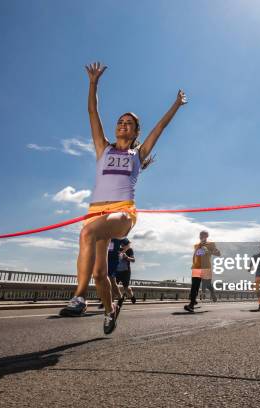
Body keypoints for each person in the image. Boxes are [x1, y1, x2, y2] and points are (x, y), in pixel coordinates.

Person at [59, 62, 187, 335]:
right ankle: (109, 311)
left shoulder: (137, 155)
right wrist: (93, 83)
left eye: (128, 124)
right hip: (96, 211)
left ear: (135, 132)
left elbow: (161, 128)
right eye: (120, 122)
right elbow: (92, 112)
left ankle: (79, 297)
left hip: (122, 213)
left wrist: (176, 105)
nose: (122, 125)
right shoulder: (103, 148)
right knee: (99, 274)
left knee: (87, 232)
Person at [184, 231, 220, 313]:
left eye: (203, 235)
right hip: (196, 268)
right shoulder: (196, 245)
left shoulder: (211, 244)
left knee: (207, 285)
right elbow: (198, 254)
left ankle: (212, 291)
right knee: (194, 287)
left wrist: (208, 251)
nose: (201, 236)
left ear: (207, 236)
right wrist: (202, 250)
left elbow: (218, 253)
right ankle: (191, 305)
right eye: (200, 235)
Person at [115, 238, 137, 304]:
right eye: (121, 244)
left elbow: (133, 260)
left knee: (126, 288)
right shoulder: (116, 249)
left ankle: (132, 296)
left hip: (125, 271)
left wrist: (127, 257)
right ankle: (116, 300)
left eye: (123, 244)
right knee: (113, 286)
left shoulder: (130, 250)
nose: (122, 245)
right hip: (116, 271)